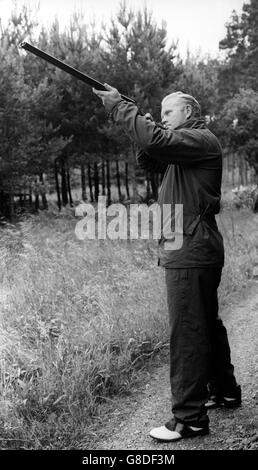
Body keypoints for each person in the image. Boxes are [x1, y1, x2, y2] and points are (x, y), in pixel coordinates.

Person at [93, 84, 241, 442]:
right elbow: (149, 153)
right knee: (204, 323)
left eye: (168, 113)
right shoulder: (184, 149)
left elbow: (156, 142)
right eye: (159, 116)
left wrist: (123, 109)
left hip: (190, 246)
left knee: (188, 329)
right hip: (192, 245)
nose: (162, 119)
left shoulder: (200, 139)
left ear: (188, 113)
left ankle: (189, 418)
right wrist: (141, 123)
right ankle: (225, 391)